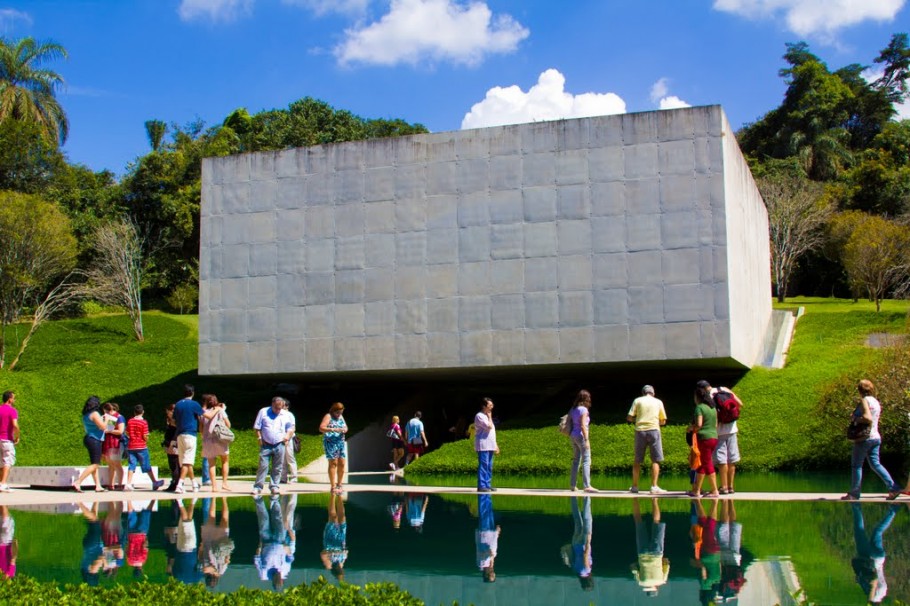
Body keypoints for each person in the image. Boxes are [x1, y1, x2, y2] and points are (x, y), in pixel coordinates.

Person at [842, 379, 901, 500]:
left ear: (859, 390)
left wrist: (855, 419)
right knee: (876, 464)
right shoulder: (875, 402)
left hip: (864, 438)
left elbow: (868, 418)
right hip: (876, 437)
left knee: (856, 466)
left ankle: (854, 493)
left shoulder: (864, 401)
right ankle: (893, 488)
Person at [698, 380, 744, 495]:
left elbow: (711, 415)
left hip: (719, 432)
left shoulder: (708, 396)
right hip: (732, 429)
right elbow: (740, 404)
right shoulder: (724, 389)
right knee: (732, 459)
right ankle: (731, 486)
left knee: (721, 460)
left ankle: (723, 487)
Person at [852, 502, 899, 604]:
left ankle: (895, 507)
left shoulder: (883, 592)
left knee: (878, 531)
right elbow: (874, 581)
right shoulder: (874, 597)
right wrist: (871, 591)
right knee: (859, 531)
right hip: (869, 558)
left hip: (880, 558)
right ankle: (855, 504)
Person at [174, 385, 217, 494]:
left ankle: (194, 483)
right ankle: (180, 484)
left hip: (180, 435)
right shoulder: (194, 404)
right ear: (192, 393)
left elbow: (174, 421)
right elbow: (209, 416)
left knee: (185, 462)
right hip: (190, 434)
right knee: (187, 462)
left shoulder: (178, 404)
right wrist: (218, 408)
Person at [627, 385, 667, 494]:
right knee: (655, 459)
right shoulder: (658, 402)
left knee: (637, 460)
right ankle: (654, 486)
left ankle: (635, 486)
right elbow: (663, 421)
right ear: (653, 393)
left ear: (643, 392)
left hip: (640, 431)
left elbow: (629, 417)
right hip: (654, 430)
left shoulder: (637, 400)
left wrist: (638, 418)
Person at [253, 396, 296, 497]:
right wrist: (259, 438)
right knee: (263, 466)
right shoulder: (263, 412)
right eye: (276, 408)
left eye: (280, 408)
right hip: (266, 444)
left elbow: (291, 428)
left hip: (279, 443)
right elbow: (257, 427)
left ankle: (274, 486)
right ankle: (258, 487)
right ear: (272, 405)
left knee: (278, 467)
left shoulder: (285, 414)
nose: (278, 410)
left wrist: (287, 437)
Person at [254, 493, 294, 590]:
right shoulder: (285, 571)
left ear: (273, 580)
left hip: (266, 542)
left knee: (264, 519)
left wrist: (259, 547)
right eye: (280, 579)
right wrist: (287, 548)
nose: (279, 576)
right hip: (280, 541)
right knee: (278, 518)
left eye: (277, 579)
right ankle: (274, 500)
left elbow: (257, 560)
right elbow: (290, 558)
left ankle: (258, 498)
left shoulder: (264, 574)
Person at [631, 498, 669, 596]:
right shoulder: (641, 582)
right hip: (642, 554)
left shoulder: (661, 580)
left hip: (657, 553)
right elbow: (633, 568)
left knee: (656, 522)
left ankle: (654, 500)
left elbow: (667, 563)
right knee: (638, 522)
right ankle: (634, 499)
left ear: (656, 588)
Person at [124, 404, 164, 491]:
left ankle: (128, 483)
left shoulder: (130, 421)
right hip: (141, 446)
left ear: (134, 412)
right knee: (146, 464)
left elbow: (127, 432)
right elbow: (145, 436)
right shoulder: (144, 422)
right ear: (143, 412)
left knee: (131, 465)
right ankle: (154, 482)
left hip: (131, 446)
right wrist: (146, 438)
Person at [73, 396, 109, 492]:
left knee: (94, 463)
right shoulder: (95, 414)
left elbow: (87, 428)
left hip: (89, 438)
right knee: (96, 464)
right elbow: (103, 427)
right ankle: (78, 482)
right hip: (94, 439)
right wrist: (107, 419)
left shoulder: (86, 415)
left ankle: (98, 486)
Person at [690, 382, 720, 498]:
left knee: (707, 463)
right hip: (714, 437)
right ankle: (697, 490)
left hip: (704, 438)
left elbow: (699, 424)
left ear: (698, 397)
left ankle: (714, 490)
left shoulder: (700, 407)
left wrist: (690, 428)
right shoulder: (713, 408)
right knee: (702, 463)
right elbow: (716, 425)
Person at [200, 497, 235, 589]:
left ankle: (223, 499)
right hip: (209, 542)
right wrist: (202, 544)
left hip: (221, 544)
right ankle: (215, 498)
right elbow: (200, 555)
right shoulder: (205, 570)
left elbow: (227, 560)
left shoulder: (220, 571)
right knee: (213, 517)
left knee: (224, 518)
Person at [691, 498, 721, 605]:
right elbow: (703, 570)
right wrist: (697, 562)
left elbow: (720, 567)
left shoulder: (716, 581)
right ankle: (713, 502)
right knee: (708, 527)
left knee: (707, 527)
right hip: (707, 554)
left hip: (716, 554)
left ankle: (700, 502)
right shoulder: (705, 585)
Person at [561, 495, 594, 591]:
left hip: (583, 544)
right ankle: (573, 497)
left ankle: (587, 497)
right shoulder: (576, 571)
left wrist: (588, 540)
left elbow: (585, 555)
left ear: (590, 581)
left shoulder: (586, 570)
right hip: (575, 543)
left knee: (587, 519)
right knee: (577, 519)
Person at [200, 394, 231, 492]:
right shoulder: (220, 411)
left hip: (208, 440)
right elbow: (228, 424)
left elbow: (200, 429)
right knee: (225, 461)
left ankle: (214, 486)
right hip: (220, 439)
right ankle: (224, 483)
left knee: (211, 464)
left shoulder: (202, 413)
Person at [569, 390, 598, 493]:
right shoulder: (584, 410)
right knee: (586, 460)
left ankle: (573, 485)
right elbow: (582, 425)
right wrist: (586, 440)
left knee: (576, 460)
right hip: (581, 436)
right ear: (586, 399)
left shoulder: (573, 409)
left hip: (573, 436)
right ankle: (587, 485)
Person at [319, 402, 347, 495]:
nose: (339, 414)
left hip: (340, 442)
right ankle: (333, 485)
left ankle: (340, 484)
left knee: (342, 463)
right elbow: (321, 428)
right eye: (338, 412)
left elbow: (345, 427)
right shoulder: (328, 416)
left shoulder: (341, 417)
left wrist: (345, 429)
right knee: (333, 463)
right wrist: (333, 429)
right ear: (333, 410)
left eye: (341, 412)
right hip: (331, 442)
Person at [320, 492, 348, 583]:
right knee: (342, 517)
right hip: (341, 539)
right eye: (342, 571)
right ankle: (339, 496)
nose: (341, 570)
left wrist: (332, 551)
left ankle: (332, 496)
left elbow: (323, 554)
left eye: (340, 571)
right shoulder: (341, 563)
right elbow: (346, 554)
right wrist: (346, 552)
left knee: (333, 517)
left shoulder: (329, 565)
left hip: (330, 539)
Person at [173, 498, 203, 584]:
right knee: (187, 522)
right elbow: (174, 565)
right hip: (179, 548)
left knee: (187, 522)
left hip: (191, 549)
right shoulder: (178, 577)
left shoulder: (195, 579)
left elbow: (200, 566)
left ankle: (180, 502)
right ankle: (192, 502)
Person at [475, 397, 499, 492]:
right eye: (490, 405)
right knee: (484, 465)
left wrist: (495, 445)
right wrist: (489, 417)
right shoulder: (479, 416)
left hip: (490, 444)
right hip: (483, 444)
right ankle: (481, 485)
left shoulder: (488, 416)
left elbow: (492, 431)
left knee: (489, 465)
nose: (491, 407)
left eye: (492, 405)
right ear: (484, 406)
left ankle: (487, 484)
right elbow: (488, 427)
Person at [77, 501, 104, 586]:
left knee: (94, 521)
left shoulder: (93, 570)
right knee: (93, 521)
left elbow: (101, 558)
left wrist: (106, 562)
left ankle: (79, 503)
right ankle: (96, 500)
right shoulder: (85, 569)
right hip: (89, 545)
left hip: (93, 544)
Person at [475, 493, 500, 582]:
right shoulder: (490, 563)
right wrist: (497, 534)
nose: (492, 571)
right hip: (491, 533)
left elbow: (488, 552)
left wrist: (491, 561)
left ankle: (483, 492)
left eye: (491, 573)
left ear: (486, 573)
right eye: (493, 573)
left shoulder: (481, 564)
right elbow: (494, 546)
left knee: (484, 510)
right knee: (489, 510)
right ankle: (487, 493)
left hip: (484, 533)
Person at [101, 402, 125, 491]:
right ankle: (111, 485)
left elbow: (120, 431)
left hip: (116, 443)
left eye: (106, 412)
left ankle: (120, 484)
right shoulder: (110, 418)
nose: (105, 414)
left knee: (117, 464)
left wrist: (108, 431)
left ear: (111, 410)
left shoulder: (119, 417)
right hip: (108, 442)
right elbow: (109, 428)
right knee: (110, 464)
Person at [125, 500, 152, 578]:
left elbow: (144, 547)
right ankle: (128, 500)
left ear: (141, 570)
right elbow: (127, 548)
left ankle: (153, 500)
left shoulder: (142, 560)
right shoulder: (129, 561)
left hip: (141, 534)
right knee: (131, 516)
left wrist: (146, 538)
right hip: (132, 535)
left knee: (147, 514)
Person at [0, 391, 19, 493]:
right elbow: (15, 425)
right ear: (9, 399)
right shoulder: (12, 411)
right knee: (8, 461)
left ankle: (0, 483)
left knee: (1, 462)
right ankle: (3, 483)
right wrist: (17, 436)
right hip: (6, 439)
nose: (14, 400)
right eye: (13, 398)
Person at [162, 403, 180, 492]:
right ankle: (175, 482)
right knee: (173, 464)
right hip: (169, 443)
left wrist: (172, 444)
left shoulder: (175, 420)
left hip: (174, 443)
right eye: (170, 410)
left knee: (175, 464)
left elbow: (176, 433)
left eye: (173, 410)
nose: (171, 412)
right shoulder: (169, 420)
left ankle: (176, 483)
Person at [280, 399, 298, 484]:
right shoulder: (279, 414)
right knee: (282, 460)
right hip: (280, 439)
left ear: (286, 406)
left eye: (282, 405)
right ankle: (283, 478)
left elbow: (293, 428)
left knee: (290, 458)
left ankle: (294, 477)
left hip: (288, 439)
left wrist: (288, 438)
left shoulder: (289, 415)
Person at [0, 506, 16, 579]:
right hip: (5, 543)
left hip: (5, 542)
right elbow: (13, 558)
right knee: (5, 521)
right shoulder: (10, 574)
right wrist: (14, 544)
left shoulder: (10, 574)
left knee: (4, 521)